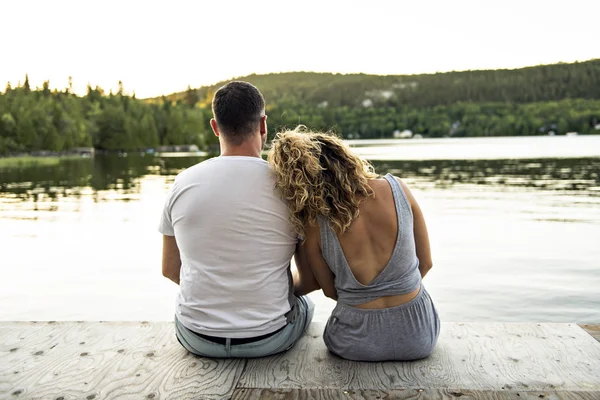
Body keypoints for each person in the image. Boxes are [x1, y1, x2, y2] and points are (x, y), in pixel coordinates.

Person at [158, 82, 316, 358]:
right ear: (263, 124)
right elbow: (311, 277)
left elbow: (170, 269)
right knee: (307, 305)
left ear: (215, 127)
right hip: (268, 338)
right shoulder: (289, 186)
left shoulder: (183, 183)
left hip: (196, 337)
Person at [267, 127, 440, 361]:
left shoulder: (314, 225)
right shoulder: (398, 189)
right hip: (418, 336)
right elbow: (426, 263)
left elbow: (328, 290)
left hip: (354, 342)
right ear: (345, 157)